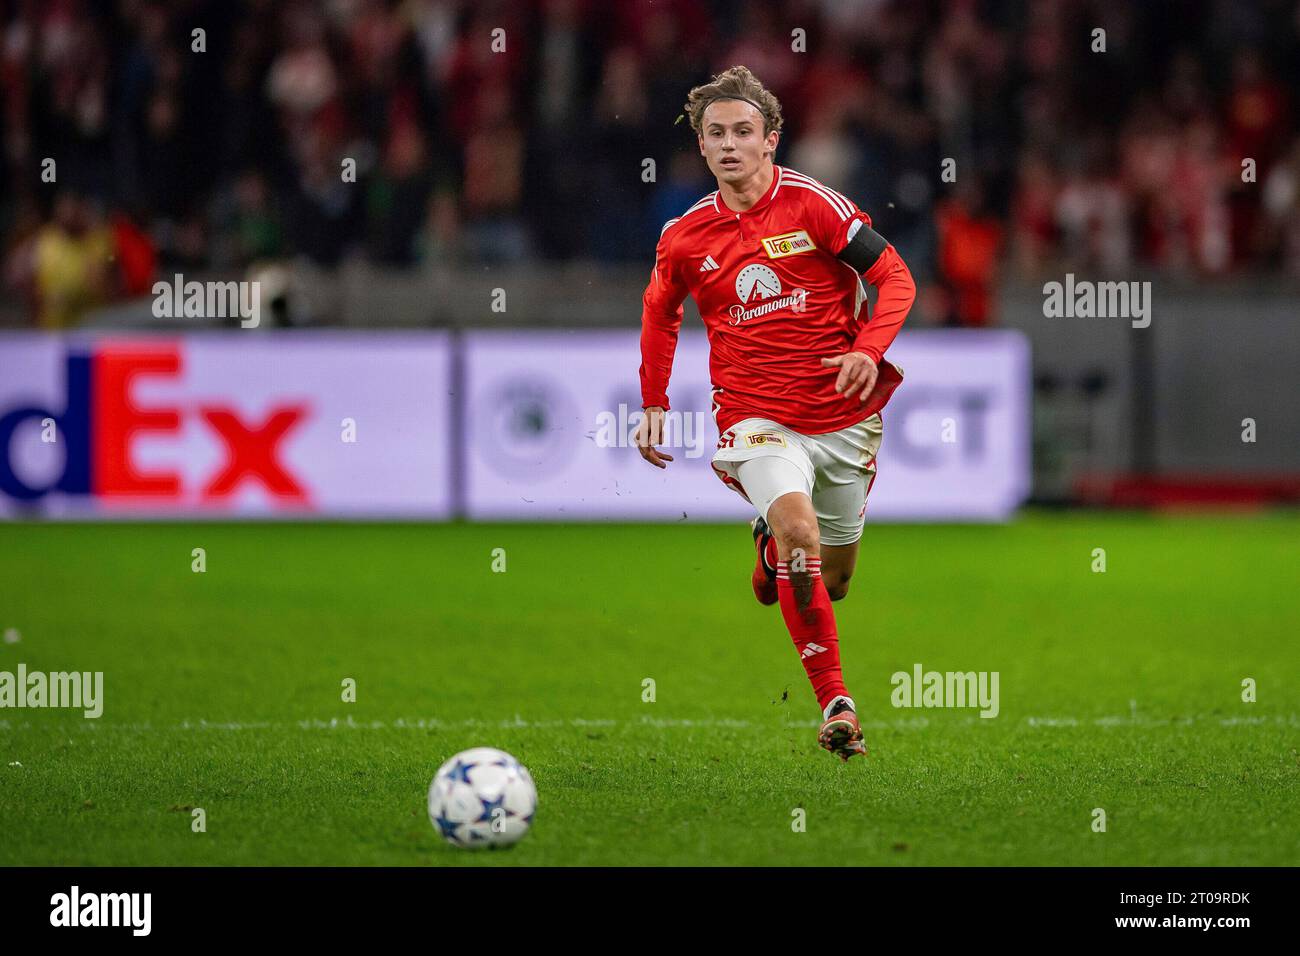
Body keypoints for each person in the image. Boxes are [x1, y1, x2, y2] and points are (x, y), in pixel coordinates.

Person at [634, 66, 916, 761]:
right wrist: (653, 404)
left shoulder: (815, 207)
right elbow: (659, 315)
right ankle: (836, 703)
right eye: (716, 134)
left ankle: (771, 556)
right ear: (701, 146)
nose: (730, 145)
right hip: (755, 418)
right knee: (800, 530)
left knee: (835, 578)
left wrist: (869, 350)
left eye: (743, 132)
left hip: (843, 415)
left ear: (771, 141)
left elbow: (895, 276)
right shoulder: (686, 236)